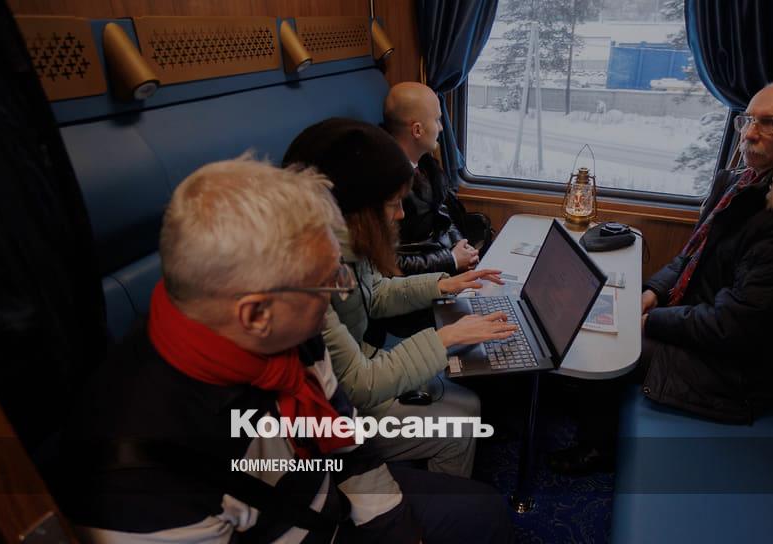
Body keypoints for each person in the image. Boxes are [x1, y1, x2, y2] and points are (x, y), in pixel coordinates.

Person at [58, 156, 513, 543]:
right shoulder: (138, 481)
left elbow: (348, 444)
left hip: (326, 495)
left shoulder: (292, 336)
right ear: (257, 314)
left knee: (486, 512)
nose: (339, 294)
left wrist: (396, 529)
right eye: (328, 283)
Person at [549, 76, 773, 474]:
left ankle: (597, 449)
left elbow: (734, 326)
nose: (750, 134)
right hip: (707, 324)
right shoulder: (746, 182)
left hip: (738, 370)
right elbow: (693, 254)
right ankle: (584, 404)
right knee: (608, 315)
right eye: (747, 120)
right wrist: (653, 293)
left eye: (770, 123)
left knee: (607, 344)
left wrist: (649, 321)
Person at [282, 118, 517, 478]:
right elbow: (359, 386)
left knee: (467, 399)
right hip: (333, 412)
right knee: (461, 423)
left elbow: (375, 294)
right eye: (392, 204)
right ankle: (435, 501)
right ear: (352, 210)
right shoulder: (308, 278)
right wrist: (445, 337)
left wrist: (443, 285)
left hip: (358, 367)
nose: (401, 214)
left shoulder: (345, 243)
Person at [383, 82, 492, 275]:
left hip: (440, 261)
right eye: (437, 120)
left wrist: (461, 245)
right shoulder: (388, 184)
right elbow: (388, 262)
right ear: (417, 130)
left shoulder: (426, 165)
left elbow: (442, 214)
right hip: (421, 279)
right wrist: (451, 260)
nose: (441, 128)